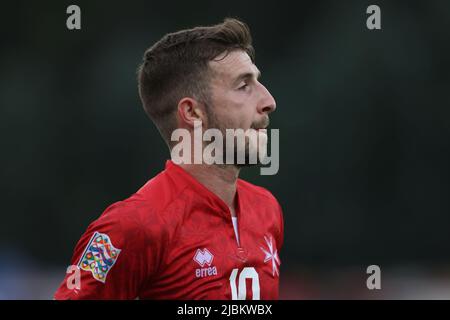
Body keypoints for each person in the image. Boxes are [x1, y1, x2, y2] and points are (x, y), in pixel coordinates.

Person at [54, 18, 283, 300]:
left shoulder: (267, 209)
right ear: (192, 112)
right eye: (243, 86)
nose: (269, 100)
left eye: (258, 81)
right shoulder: (132, 226)